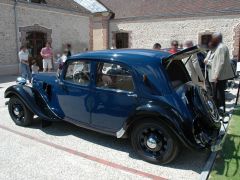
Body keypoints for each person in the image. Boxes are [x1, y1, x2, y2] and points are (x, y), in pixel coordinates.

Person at [206, 33, 235, 114]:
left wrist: (216, 75)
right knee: (217, 93)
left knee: (220, 94)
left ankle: (221, 111)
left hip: (219, 76)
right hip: (218, 75)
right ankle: (218, 110)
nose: (212, 40)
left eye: (213, 38)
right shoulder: (218, 47)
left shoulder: (221, 47)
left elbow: (220, 63)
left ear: (217, 38)